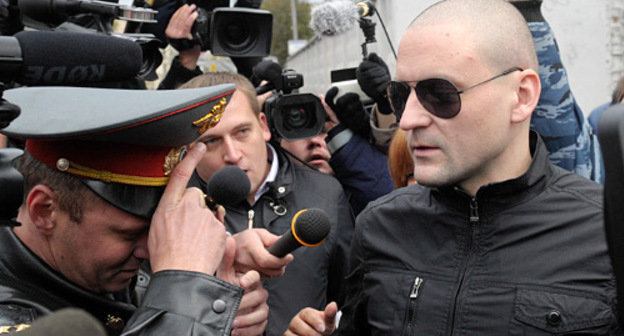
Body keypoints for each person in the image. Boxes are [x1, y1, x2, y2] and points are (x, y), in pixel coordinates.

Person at [285, 0, 619, 335]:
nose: (409, 119)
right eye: (400, 95)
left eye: (440, 94)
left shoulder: (606, 233)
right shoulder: (379, 227)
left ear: (521, 95)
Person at [0, 85, 268, 336]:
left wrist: (211, 306)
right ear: (45, 211)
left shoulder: (103, 275)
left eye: (158, 229)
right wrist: (185, 292)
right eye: (128, 234)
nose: (149, 251)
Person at [180, 72, 354, 336]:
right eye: (211, 141)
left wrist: (326, 328)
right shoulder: (176, 210)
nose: (233, 155)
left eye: (241, 132)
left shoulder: (326, 193)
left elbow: (350, 303)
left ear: (263, 126)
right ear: (188, 147)